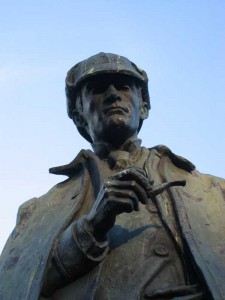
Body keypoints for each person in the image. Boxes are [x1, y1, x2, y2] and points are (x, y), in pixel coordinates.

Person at [0, 52, 225, 300]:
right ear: (78, 115)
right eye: (97, 89)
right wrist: (91, 227)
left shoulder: (212, 191)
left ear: (145, 107)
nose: (112, 95)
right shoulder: (37, 213)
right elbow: (14, 288)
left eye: (124, 87)